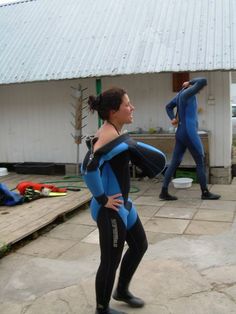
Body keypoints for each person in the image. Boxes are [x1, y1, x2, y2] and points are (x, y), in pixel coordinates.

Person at [81, 87, 166, 314]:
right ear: (113, 111)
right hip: (110, 209)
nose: (132, 108)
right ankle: (102, 308)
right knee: (110, 260)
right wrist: (102, 198)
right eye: (127, 104)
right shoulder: (106, 135)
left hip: (124, 205)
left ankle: (122, 291)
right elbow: (87, 169)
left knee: (139, 246)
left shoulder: (116, 132)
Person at [159, 77, 221, 201]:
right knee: (200, 160)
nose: (199, 89)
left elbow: (168, 107)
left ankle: (164, 191)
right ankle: (205, 192)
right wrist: (191, 82)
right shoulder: (188, 92)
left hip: (181, 132)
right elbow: (203, 80)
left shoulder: (180, 95)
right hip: (189, 132)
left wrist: (172, 118)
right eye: (197, 88)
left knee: (175, 162)